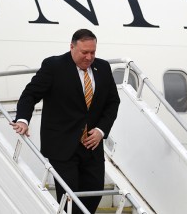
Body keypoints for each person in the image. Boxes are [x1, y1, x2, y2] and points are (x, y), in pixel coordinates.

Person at [10, 29, 120, 214]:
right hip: (62, 146)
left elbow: (112, 102)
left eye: (93, 52)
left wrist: (101, 130)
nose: (89, 57)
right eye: (84, 52)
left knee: (94, 194)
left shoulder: (102, 67)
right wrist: (23, 119)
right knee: (69, 198)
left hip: (91, 146)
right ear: (72, 47)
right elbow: (30, 94)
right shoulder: (54, 66)